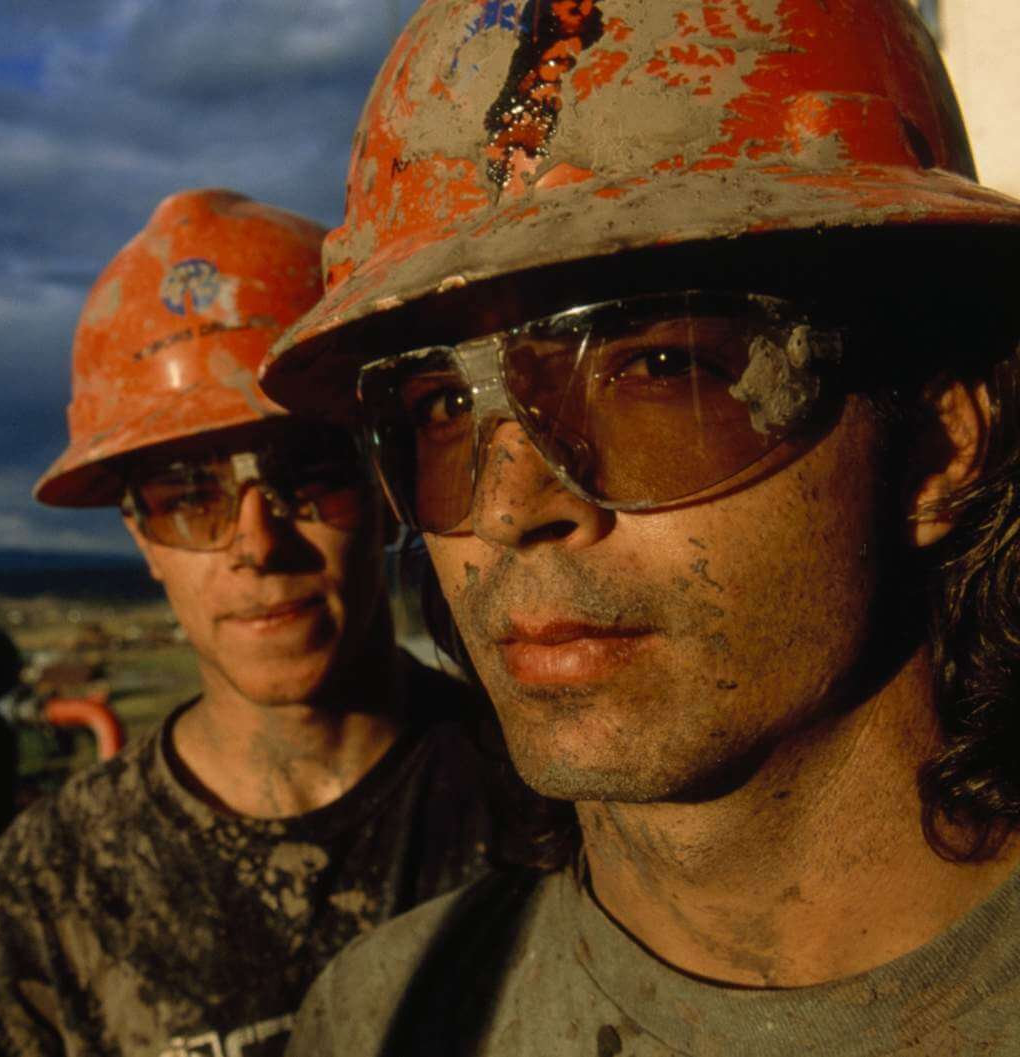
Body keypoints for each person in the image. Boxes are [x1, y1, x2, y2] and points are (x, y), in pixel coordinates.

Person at [255, 0, 1020, 1053]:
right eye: (437, 410)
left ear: (937, 448)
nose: (512, 505)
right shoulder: (392, 1018)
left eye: (659, 371)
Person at [0, 189, 510, 1057]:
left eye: (309, 472)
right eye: (189, 497)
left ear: (387, 485)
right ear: (142, 537)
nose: (257, 543)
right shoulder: (49, 895)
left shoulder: (547, 803)